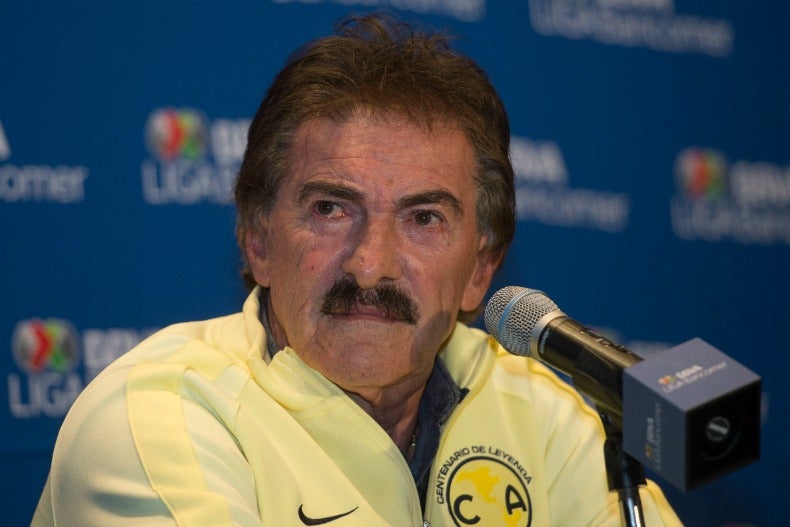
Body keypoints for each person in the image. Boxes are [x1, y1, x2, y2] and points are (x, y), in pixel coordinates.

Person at [32, 13, 682, 526]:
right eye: (331, 208)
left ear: (480, 267)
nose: (371, 264)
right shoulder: (159, 415)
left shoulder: (551, 415)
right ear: (257, 238)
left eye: (423, 218)